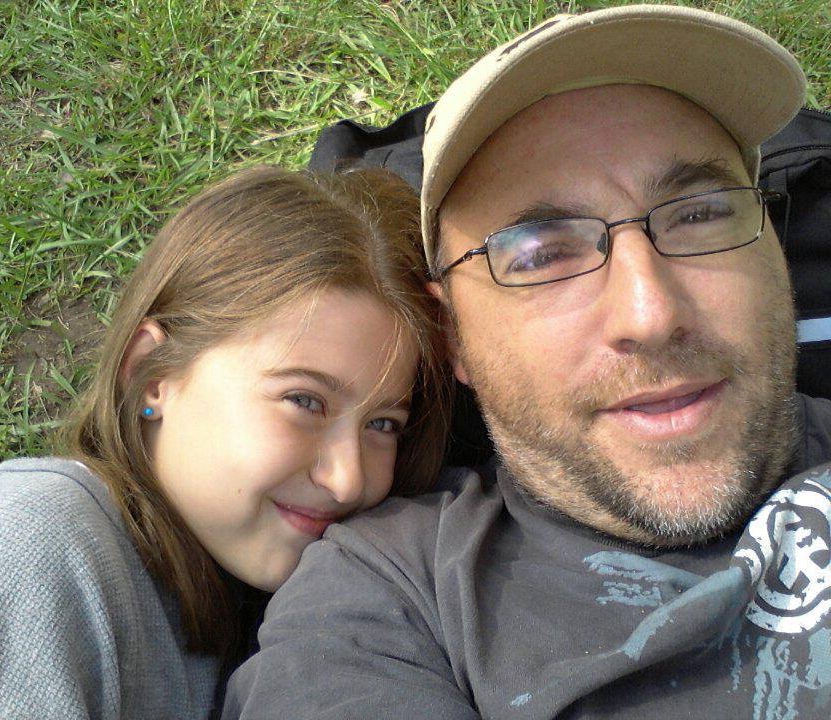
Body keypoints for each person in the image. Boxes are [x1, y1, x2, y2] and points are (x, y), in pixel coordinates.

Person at [225, 6, 831, 719]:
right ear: (452, 336)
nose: (651, 315)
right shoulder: (388, 600)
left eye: (700, 214)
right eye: (541, 254)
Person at [0, 166, 451, 718]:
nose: (349, 478)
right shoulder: (37, 545)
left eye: (383, 425)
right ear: (153, 373)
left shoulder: (263, 600)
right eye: (304, 401)